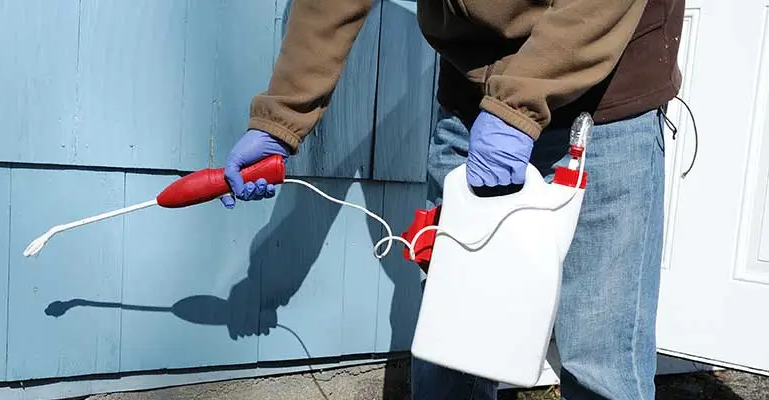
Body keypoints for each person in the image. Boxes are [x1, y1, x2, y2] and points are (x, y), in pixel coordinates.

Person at [220, 0, 685, 398]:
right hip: (474, 95)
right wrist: (280, 117)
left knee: (599, 359)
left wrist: (518, 103)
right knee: (454, 348)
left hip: (604, 90)